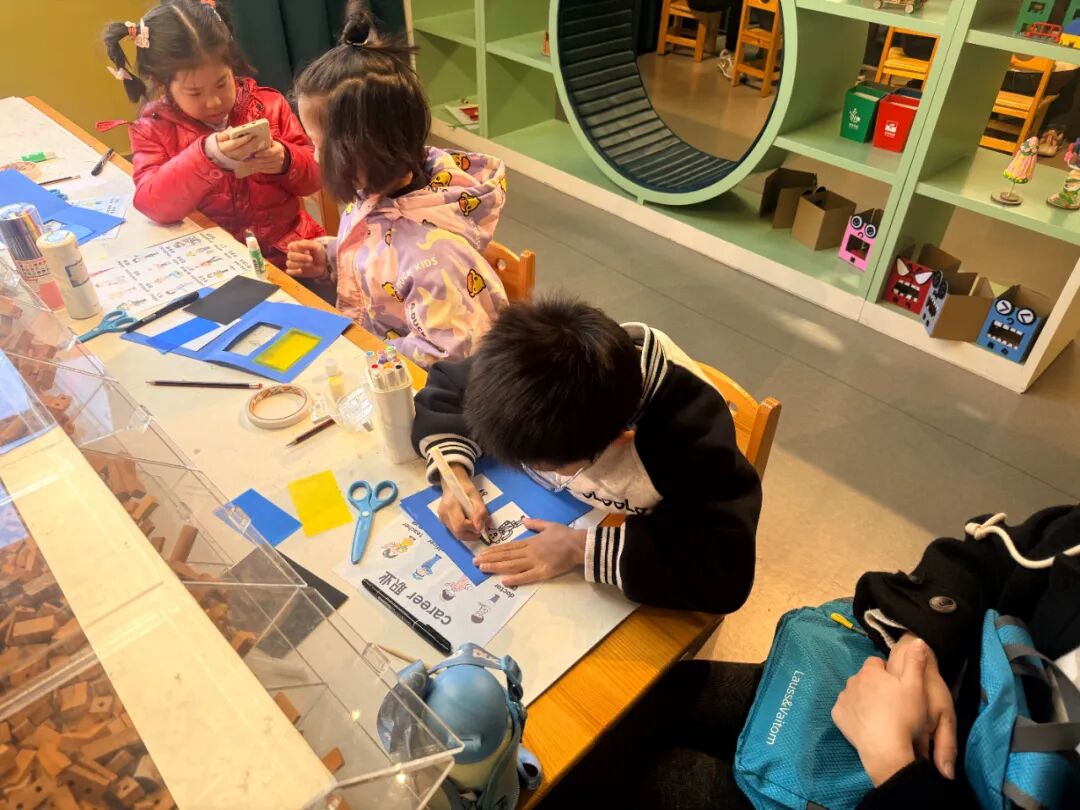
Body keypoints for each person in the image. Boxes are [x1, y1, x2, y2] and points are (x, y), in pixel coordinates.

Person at [539, 505, 1080, 808]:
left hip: (911, 789)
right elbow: (985, 554)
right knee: (670, 695)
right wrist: (920, 644)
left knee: (671, 780)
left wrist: (893, 763)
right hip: (927, 694)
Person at [410, 296, 762, 612]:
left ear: (619, 440)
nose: (530, 467)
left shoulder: (688, 435)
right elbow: (449, 388)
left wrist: (578, 548)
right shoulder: (524, 361)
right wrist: (454, 473)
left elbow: (723, 570)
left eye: (548, 465)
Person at [285, 2, 509, 368]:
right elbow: (377, 252)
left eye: (320, 145)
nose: (314, 157)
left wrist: (367, 349)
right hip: (378, 361)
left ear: (366, 148)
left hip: (419, 385)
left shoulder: (436, 260)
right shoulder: (373, 190)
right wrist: (330, 258)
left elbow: (448, 355)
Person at [104, 0, 324, 270]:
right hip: (216, 263)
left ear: (232, 65)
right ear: (162, 84)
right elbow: (153, 204)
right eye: (195, 93)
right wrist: (206, 156)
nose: (214, 102)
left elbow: (316, 177)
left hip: (290, 253)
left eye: (222, 83)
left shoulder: (268, 105)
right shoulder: (153, 129)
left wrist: (286, 160)